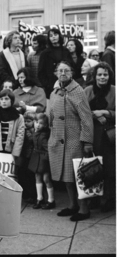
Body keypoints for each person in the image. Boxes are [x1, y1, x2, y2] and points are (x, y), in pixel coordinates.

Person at [48, 61, 94, 221]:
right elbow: (50, 115)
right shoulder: (54, 92)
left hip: (75, 140)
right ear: (55, 73)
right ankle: (73, 205)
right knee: (67, 177)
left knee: (78, 175)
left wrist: (87, 141)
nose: (63, 73)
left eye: (66, 70)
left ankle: (84, 209)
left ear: (72, 73)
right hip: (58, 140)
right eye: (60, 70)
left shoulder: (78, 91)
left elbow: (86, 118)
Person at [84, 62, 115, 212]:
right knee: (93, 167)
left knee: (109, 169)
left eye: (105, 74)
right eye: (100, 74)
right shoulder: (88, 90)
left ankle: (109, 199)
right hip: (92, 134)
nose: (102, 77)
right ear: (95, 76)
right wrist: (95, 116)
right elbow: (81, 112)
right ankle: (94, 198)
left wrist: (106, 113)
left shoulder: (115, 91)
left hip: (110, 136)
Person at [0, 89, 25, 169]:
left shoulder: (18, 117)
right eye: (1, 99)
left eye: (6, 99)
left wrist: (15, 153)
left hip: (11, 150)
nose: (3, 101)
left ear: (11, 100)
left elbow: (20, 135)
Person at [28, 113, 55, 210]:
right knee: (37, 177)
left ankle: (51, 200)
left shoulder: (45, 134)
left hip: (43, 159)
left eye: (40, 123)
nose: (37, 125)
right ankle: (39, 198)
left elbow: (48, 148)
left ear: (45, 125)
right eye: (36, 122)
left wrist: (46, 158)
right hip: (37, 157)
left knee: (46, 179)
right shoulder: (36, 132)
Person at [38, 28, 74, 99]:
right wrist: (47, 85)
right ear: (48, 38)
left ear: (59, 36)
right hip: (51, 86)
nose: (53, 37)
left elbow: (72, 67)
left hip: (66, 85)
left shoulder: (65, 51)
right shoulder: (45, 53)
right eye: (51, 36)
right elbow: (40, 72)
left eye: (55, 34)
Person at [18, 112, 37, 202]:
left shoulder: (34, 131)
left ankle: (32, 195)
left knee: (30, 176)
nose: (26, 123)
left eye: (28, 121)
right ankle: (26, 193)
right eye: (25, 121)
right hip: (25, 156)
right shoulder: (24, 130)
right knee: (22, 174)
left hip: (31, 157)